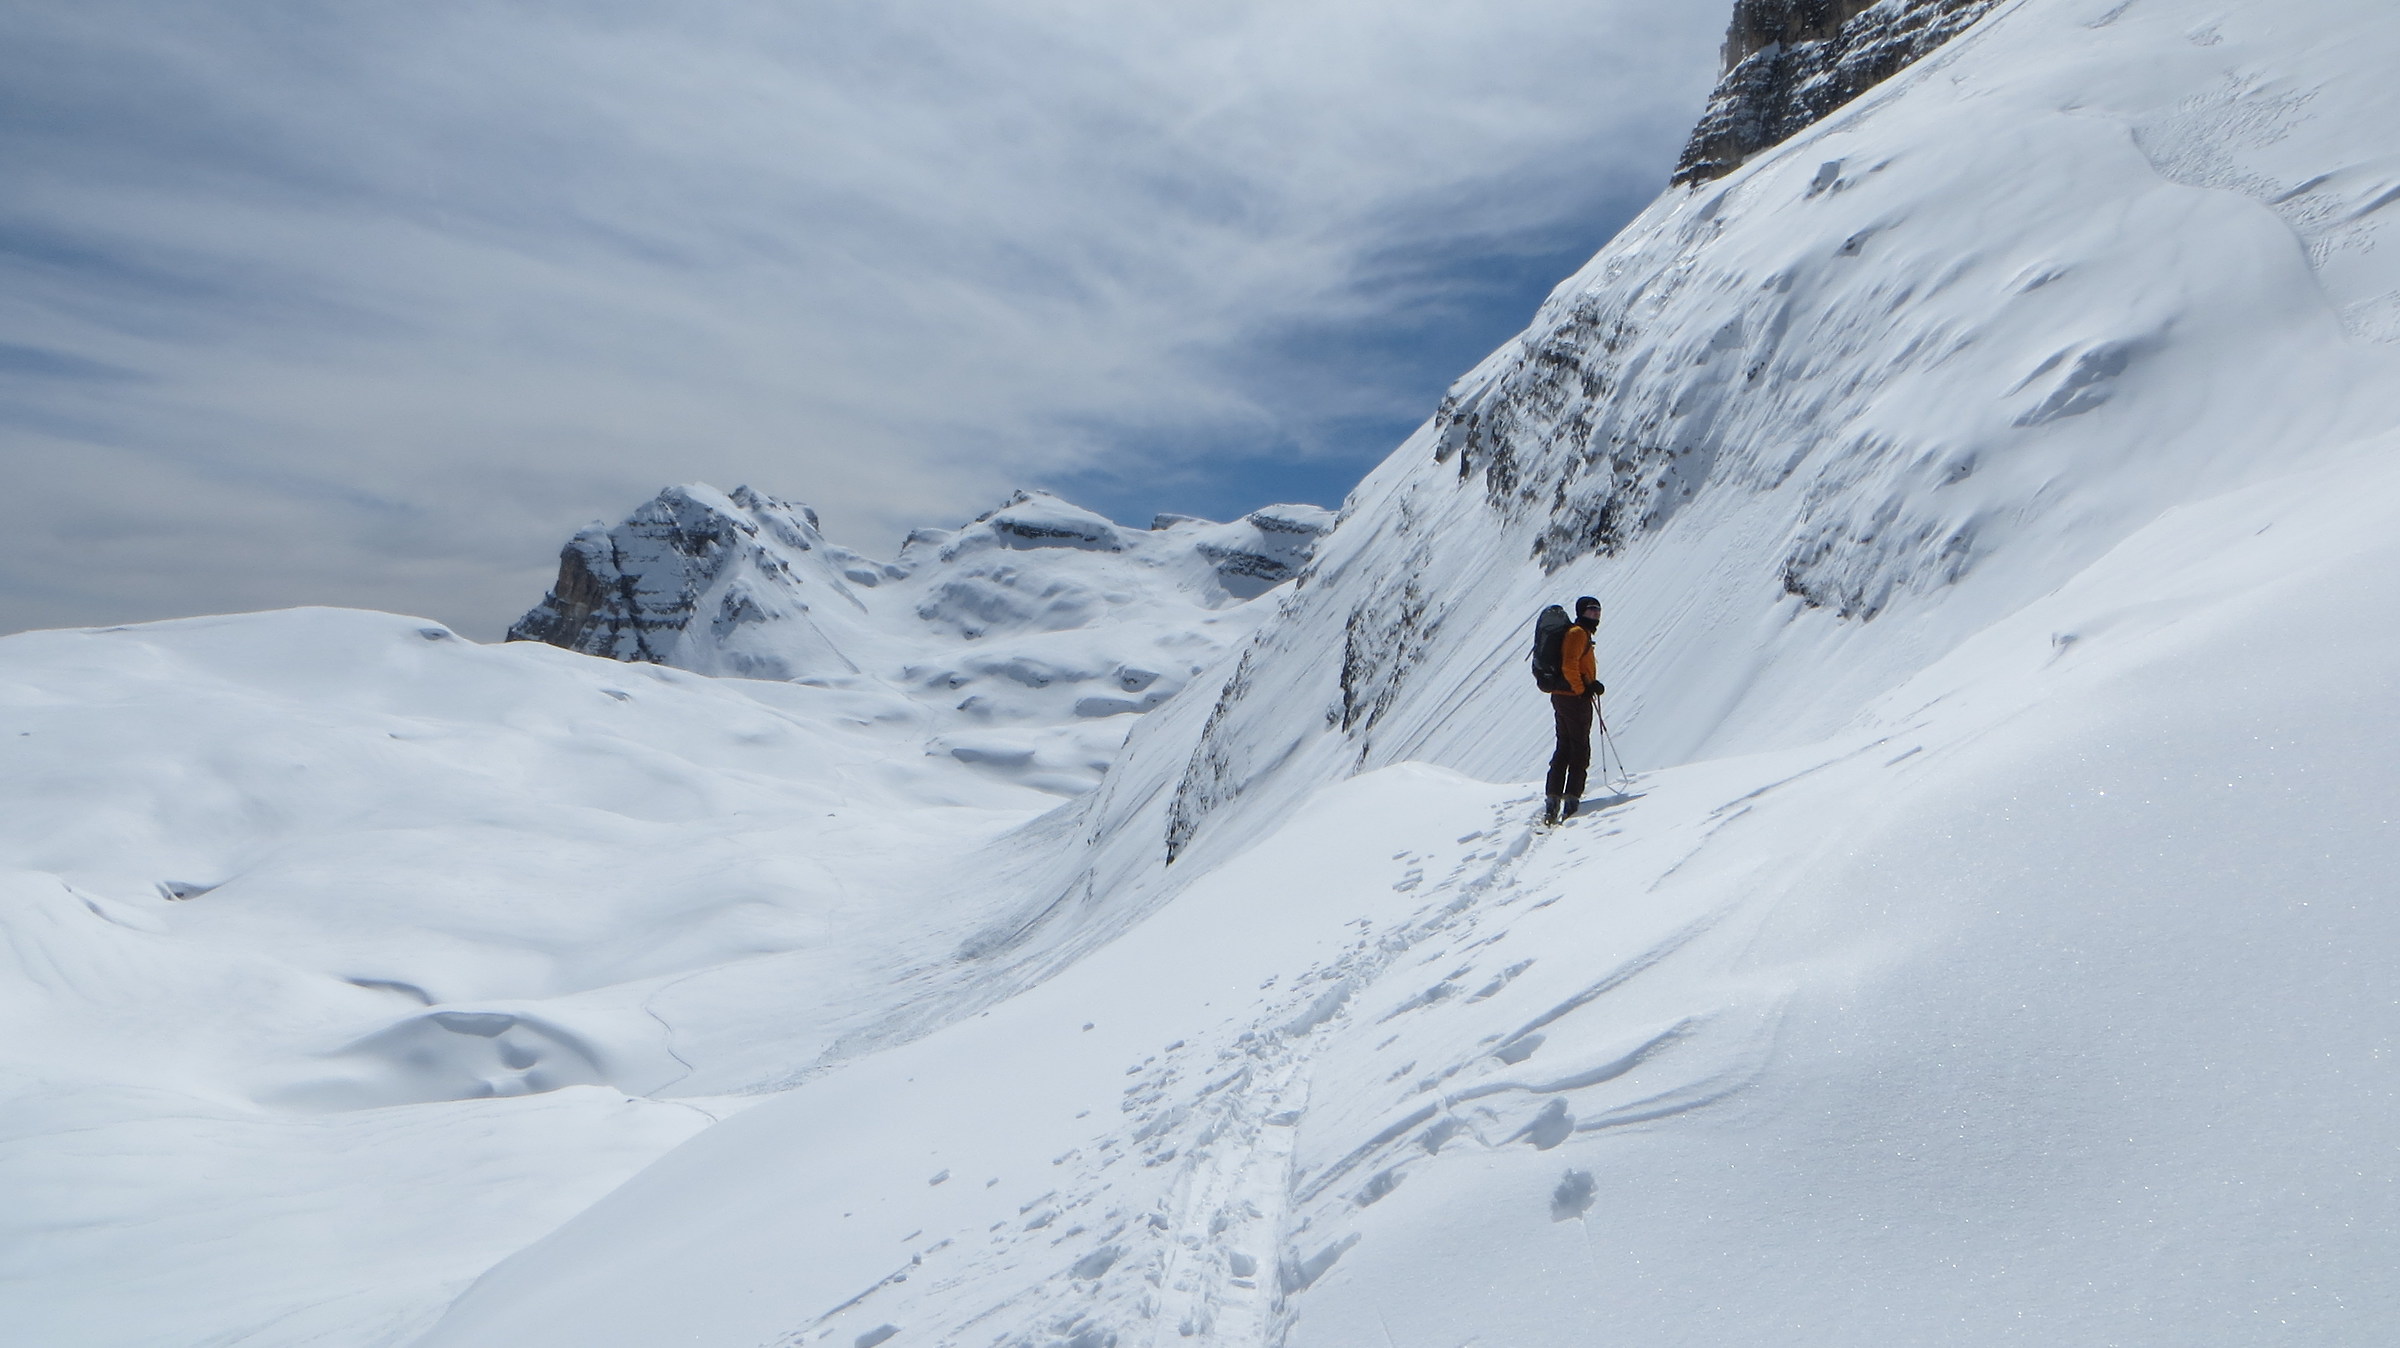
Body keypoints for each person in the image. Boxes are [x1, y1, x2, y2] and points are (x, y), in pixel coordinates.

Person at [1544, 596, 1604, 825]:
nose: (1595, 614)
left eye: (1597, 610)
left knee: (1565, 745)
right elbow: (1569, 665)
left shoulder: (1579, 633)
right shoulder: (1578, 634)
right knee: (1579, 747)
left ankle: (1553, 798)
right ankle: (1571, 799)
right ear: (1581, 612)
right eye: (1591, 610)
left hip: (1563, 697)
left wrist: (1586, 685)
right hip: (1573, 699)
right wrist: (1583, 690)